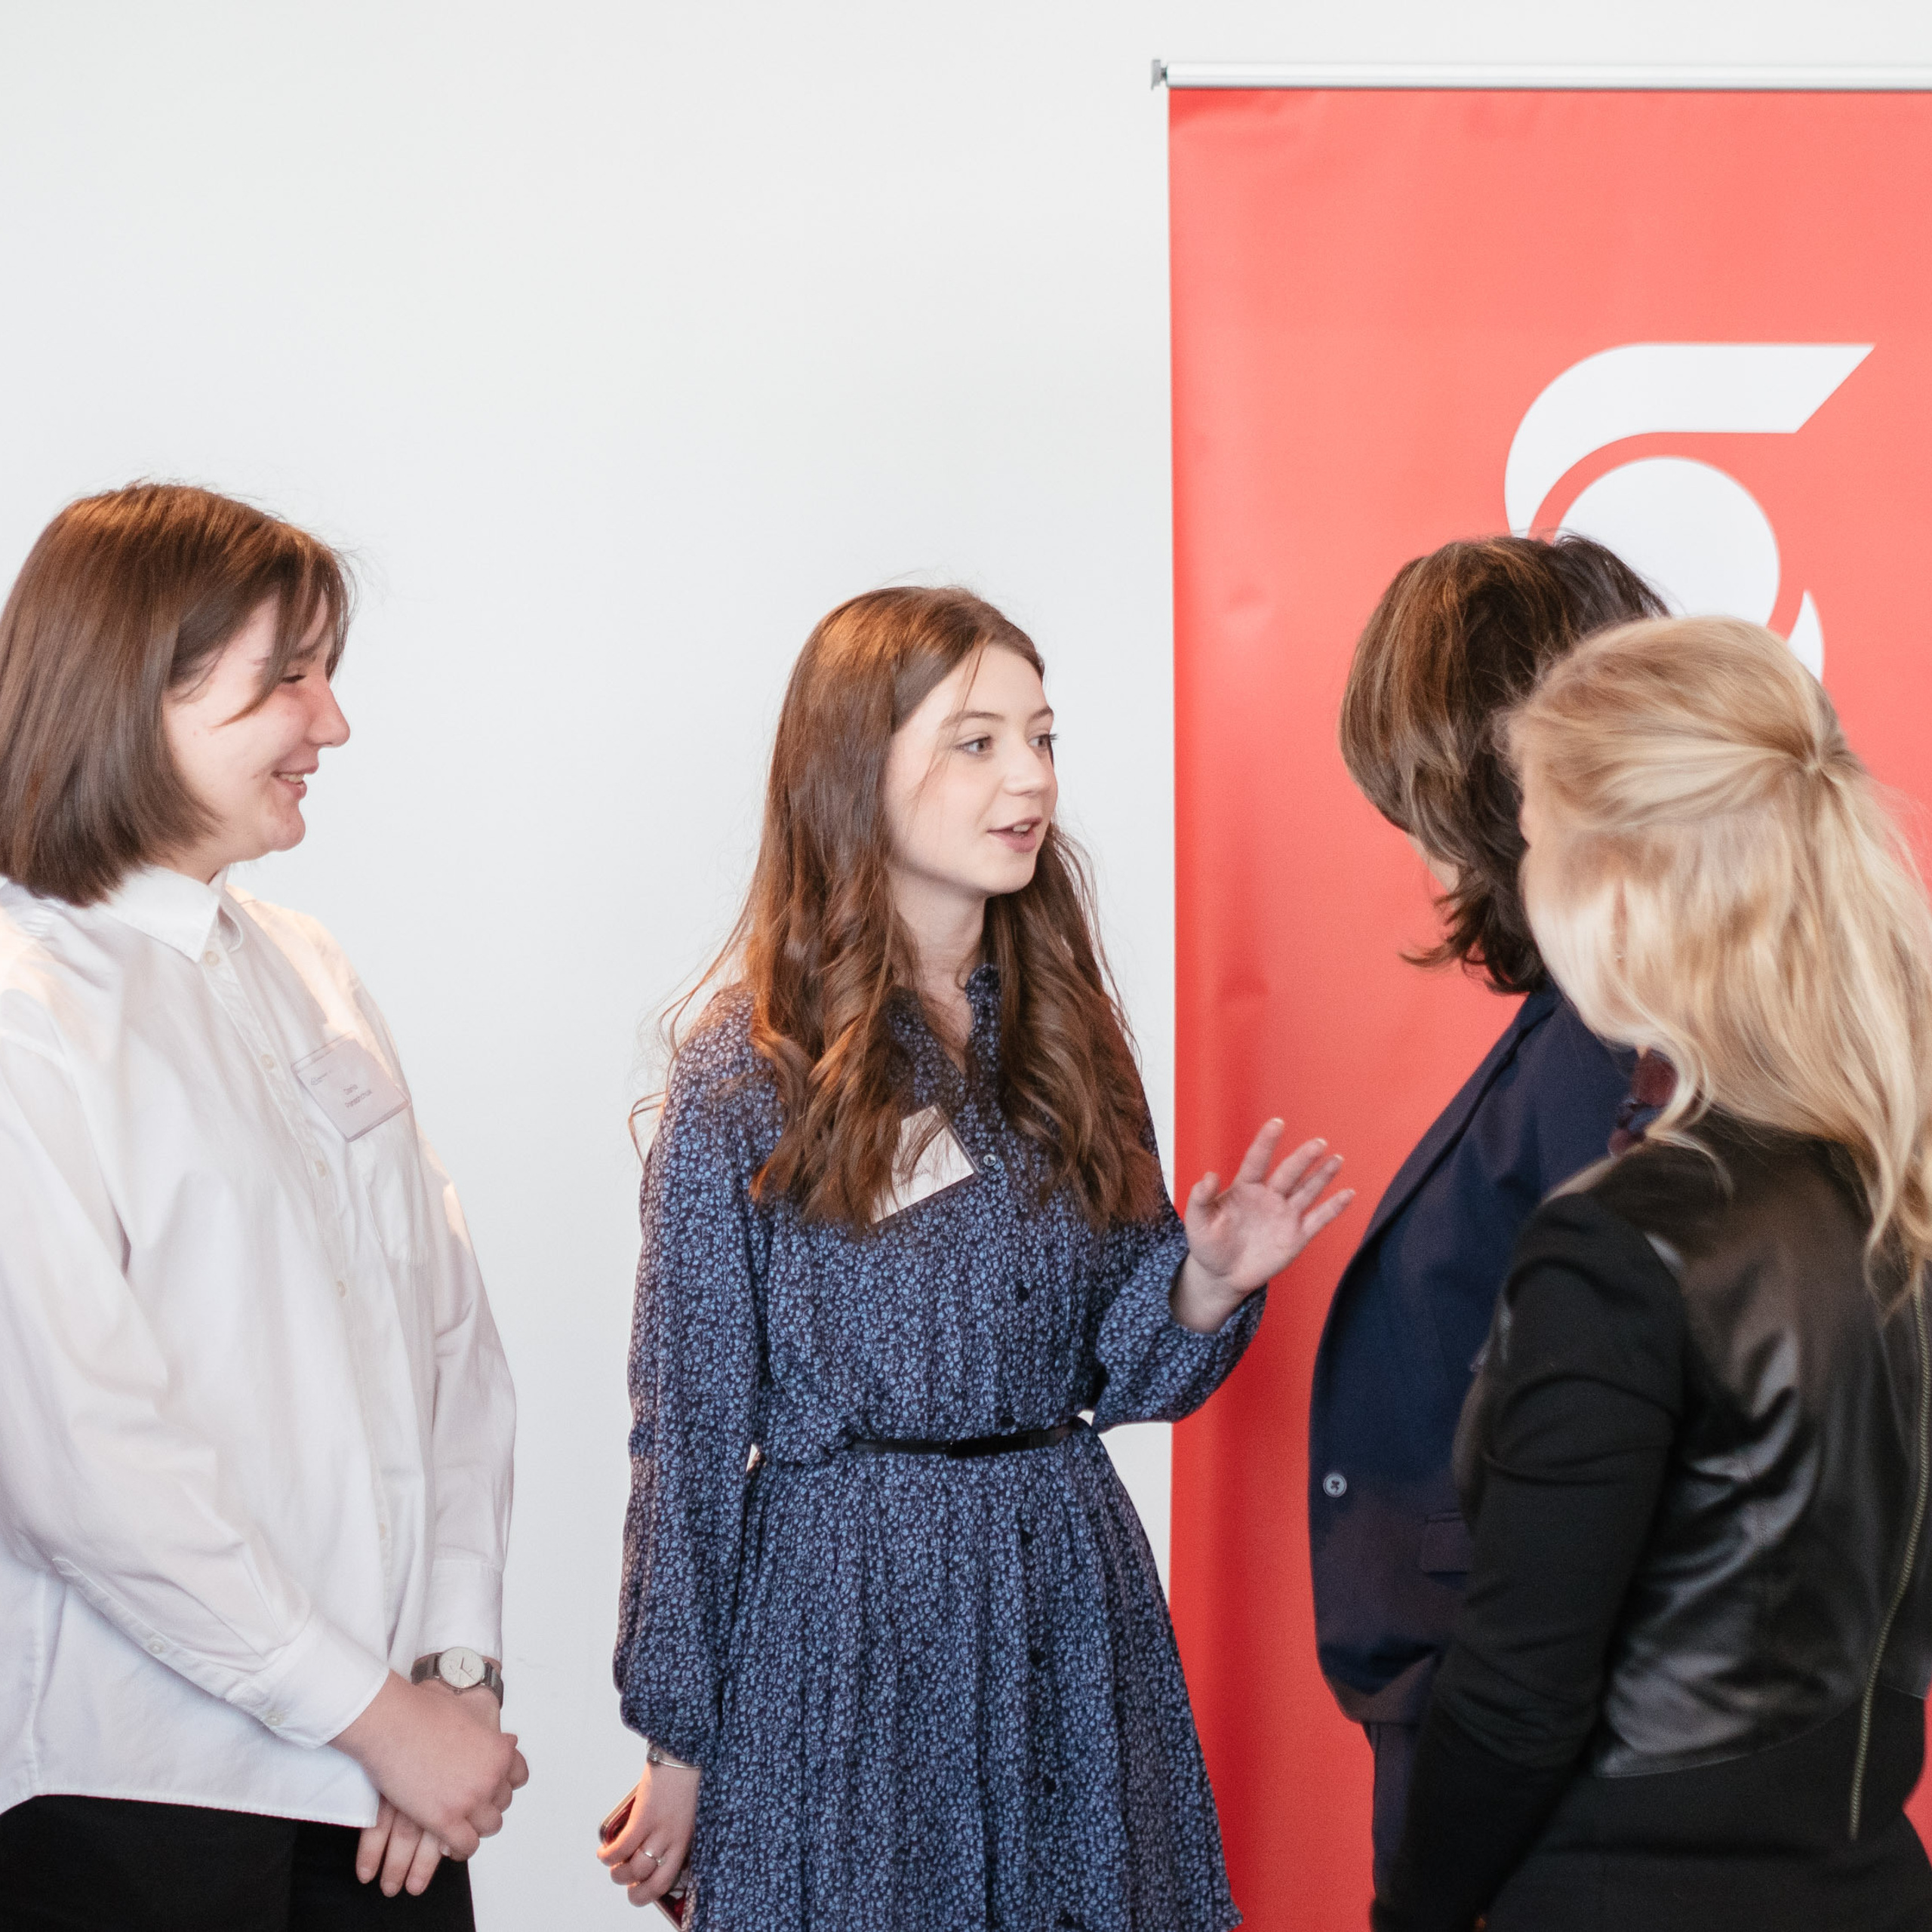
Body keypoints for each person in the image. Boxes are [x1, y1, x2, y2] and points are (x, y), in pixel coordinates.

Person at [598, 586, 1352, 1929]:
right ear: (855, 768)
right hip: (848, 1618)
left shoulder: (1065, 1031)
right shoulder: (749, 1068)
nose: (1032, 779)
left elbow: (1122, 1373)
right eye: (979, 742)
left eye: (1043, 738)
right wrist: (679, 1740)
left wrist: (1209, 1279)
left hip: (1062, 1587)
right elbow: (689, 1423)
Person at [0, 484, 526, 1930]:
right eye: (287, 677)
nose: (331, 723)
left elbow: (454, 1343)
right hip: (141, 1800)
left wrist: (453, 1675)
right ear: (134, 691)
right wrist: (375, 1715)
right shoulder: (29, 1012)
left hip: (389, 1805)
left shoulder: (307, 967)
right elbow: (80, 1461)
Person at [1373, 614, 1932, 1932]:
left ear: (1615, 891)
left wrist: (1413, 1915)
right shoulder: (1894, 1196)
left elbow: (1517, 1697)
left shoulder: (1623, 1248)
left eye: (1538, 839)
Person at [1313, 534, 1663, 1876]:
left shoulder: (1621, 1060)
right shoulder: (1603, 1031)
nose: (1416, 852)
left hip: (1544, 1758)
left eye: (1417, 802)